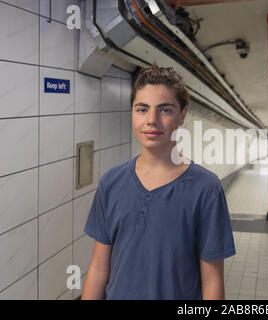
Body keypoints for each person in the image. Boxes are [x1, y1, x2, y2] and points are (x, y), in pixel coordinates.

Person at [81, 64, 236, 300]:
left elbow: (212, 281)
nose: (151, 120)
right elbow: (99, 268)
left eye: (165, 110)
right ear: (132, 113)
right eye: (142, 109)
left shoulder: (205, 188)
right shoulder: (111, 183)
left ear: (182, 115)